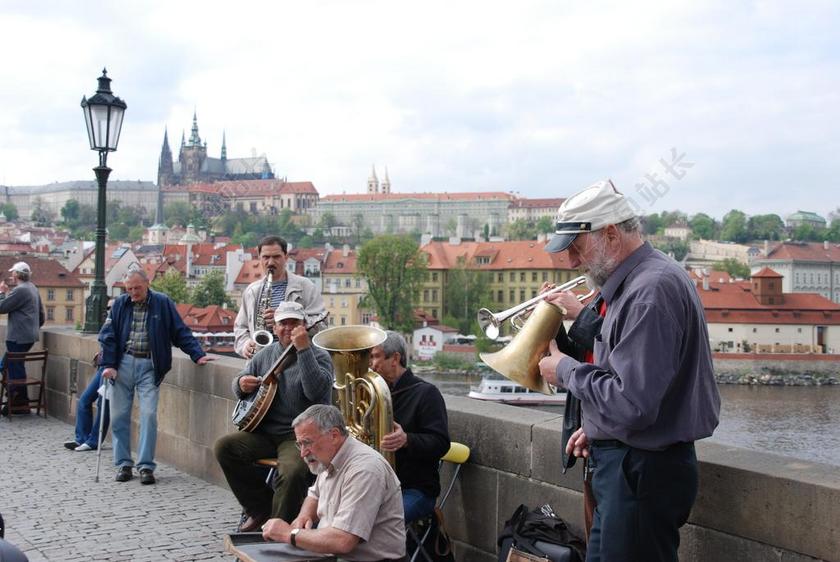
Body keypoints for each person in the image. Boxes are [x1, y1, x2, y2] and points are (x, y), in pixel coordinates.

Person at [537, 179, 720, 562]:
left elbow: (633, 403)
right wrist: (603, 427)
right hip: (631, 467)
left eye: (576, 247)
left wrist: (566, 370)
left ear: (610, 235)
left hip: (641, 474)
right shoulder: (637, 283)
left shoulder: (650, 290)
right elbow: (633, 392)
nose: (571, 261)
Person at [215, 301, 334, 532]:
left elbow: (316, 391)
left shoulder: (319, 356)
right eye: (283, 323)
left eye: (294, 323)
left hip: (299, 437)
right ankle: (260, 508)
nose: (288, 328)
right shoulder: (265, 354)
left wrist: (304, 351)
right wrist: (241, 384)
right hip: (265, 433)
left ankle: (277, 528)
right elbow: (239, 382)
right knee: (225, 448)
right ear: (275, 327)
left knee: (292, 472)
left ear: (305, 326)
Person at [98, 270, 214, 485]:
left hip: (150, 365)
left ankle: (145, 466)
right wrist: (108, 365)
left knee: (149, 415)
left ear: (147, 284)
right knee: (118, 417)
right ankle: (123, 463)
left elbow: (179, 331)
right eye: (129, 289)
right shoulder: (120, 305)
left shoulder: (162, 302)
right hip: (122, 365)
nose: (133, 293)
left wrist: (197, 355)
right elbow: (107, 336)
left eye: (137, 288)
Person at [261, 404, 406, 561]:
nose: (303, 453)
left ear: (334, 436)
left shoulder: (364, 470)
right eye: (300, 444)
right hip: (332, 555)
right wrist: (304, 515)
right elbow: (315, 494)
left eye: (307, 443)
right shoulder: (328, 455)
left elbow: (343, 541)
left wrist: (288, 533)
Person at [370, 331, 450, 523]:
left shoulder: (426, 393)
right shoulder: (371, 394)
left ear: (395, 358)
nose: (371, 365)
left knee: (379, 523)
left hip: (415, 488)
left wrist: (407, 440)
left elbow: (441, 443)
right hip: (375, 485)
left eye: (376, 357)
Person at [234, 236, 328, 359]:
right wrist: (245, 344)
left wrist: (283, 320)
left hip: (296, 360)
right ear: (259, 258)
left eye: (276, 257)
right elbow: (240, 327)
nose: (271, 262)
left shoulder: (306, 286)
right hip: (261, 361)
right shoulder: (252, 291)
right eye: (266, 257)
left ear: (286, 257)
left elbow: (322, 325)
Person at [0, 262, 45, 415]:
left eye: (13, 273)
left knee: (13, 369)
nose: (11, 275)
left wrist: (2, 292)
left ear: (17, 275)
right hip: (29, 336)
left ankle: (18, 402)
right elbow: (42, 315)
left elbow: (2, 308)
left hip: (17, 337)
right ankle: (20, 400)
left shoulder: (20, 290)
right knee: (10, 366)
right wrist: (33, 329)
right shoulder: (32, 287)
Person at [63, 357, 109, 452]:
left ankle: (94, 441)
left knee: (103, 404)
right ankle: (82, 439)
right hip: (103, 366)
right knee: (84, 400)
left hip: (110, 366)